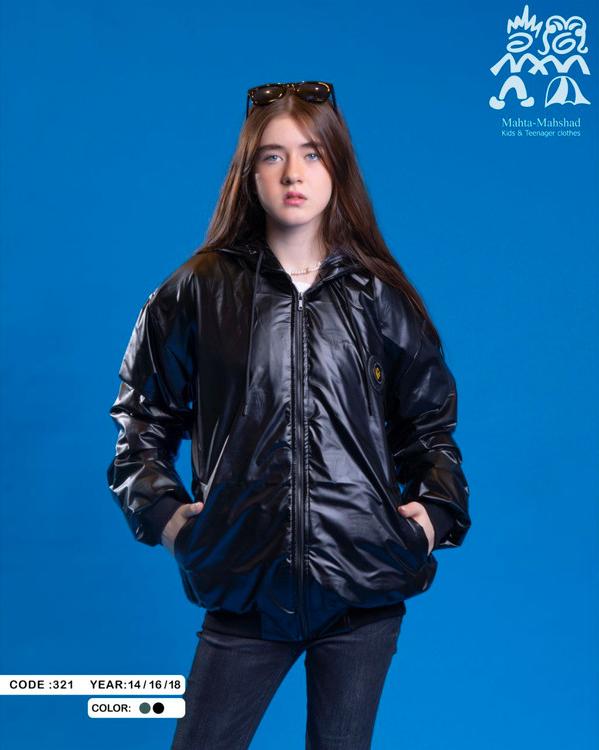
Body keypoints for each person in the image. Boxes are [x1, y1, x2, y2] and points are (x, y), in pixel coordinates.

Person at [107, 80, 471, 750]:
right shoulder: (196, 292)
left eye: (311, 154)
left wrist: (429, 520)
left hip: (363, 588)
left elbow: (431, 428)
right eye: (272, 156)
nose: (293, 173)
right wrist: (171, 522)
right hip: (244, 585)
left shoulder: (380, 296)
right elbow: (141, 424)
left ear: (337, 167)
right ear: (249, 175)